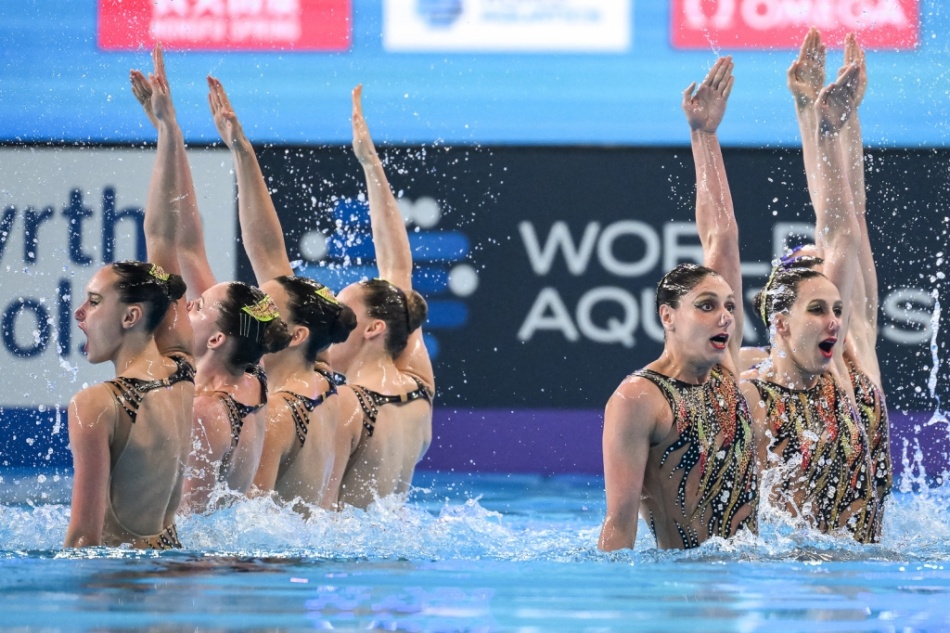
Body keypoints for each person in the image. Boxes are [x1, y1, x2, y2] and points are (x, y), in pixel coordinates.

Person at [598, 58, 758, 551]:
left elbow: (723, 235)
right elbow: (619, 523)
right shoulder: (638, 398)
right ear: (668, 315)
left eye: (729, 306)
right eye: (707, 305)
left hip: (752, 580)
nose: (725, 316)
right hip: (682, 588)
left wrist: (706, 137)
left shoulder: (727, 371)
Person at [129, 47, 292, 513]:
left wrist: (169, 131)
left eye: (199, 306)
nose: (189, 305)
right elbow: (190, 244)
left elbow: (188, 520)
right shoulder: (252, 379)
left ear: (218, 337)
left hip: (195, 573)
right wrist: (168, 135)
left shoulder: (203, 409)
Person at [740, 59, 880, 542]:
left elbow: (849, 219)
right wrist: (818, 121)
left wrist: (836, 121)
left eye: (836, 305)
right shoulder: (749, 383)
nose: (834, 314)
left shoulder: (853, 352)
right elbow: (836, 223)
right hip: (794, 570)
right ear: (783, 318)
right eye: (819, 304)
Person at [204, 76, 359, 509]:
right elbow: (268, 251)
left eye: (268, 309)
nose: (256, 312)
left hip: (275, 569)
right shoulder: (323, 378)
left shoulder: (276, 413)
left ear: (296, 335)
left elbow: (248, 529)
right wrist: (241, 150)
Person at [64, 52, 197, 547]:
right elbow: (164, 235)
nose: (79, 313)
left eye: (95, 302)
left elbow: (83, 539)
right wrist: (167, 130)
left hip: (122, 593)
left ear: (132, 315)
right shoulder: (183, 369)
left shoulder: (96, 404)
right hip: (173, 571)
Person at [324, 86, 436, 510]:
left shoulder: (347, 405)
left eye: (341, 312)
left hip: (346, 565)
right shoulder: (419, 387)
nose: (330, 321)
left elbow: (317, 523)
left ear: (374, 328)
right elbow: (397, 270)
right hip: (395, 560)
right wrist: (370, 162)